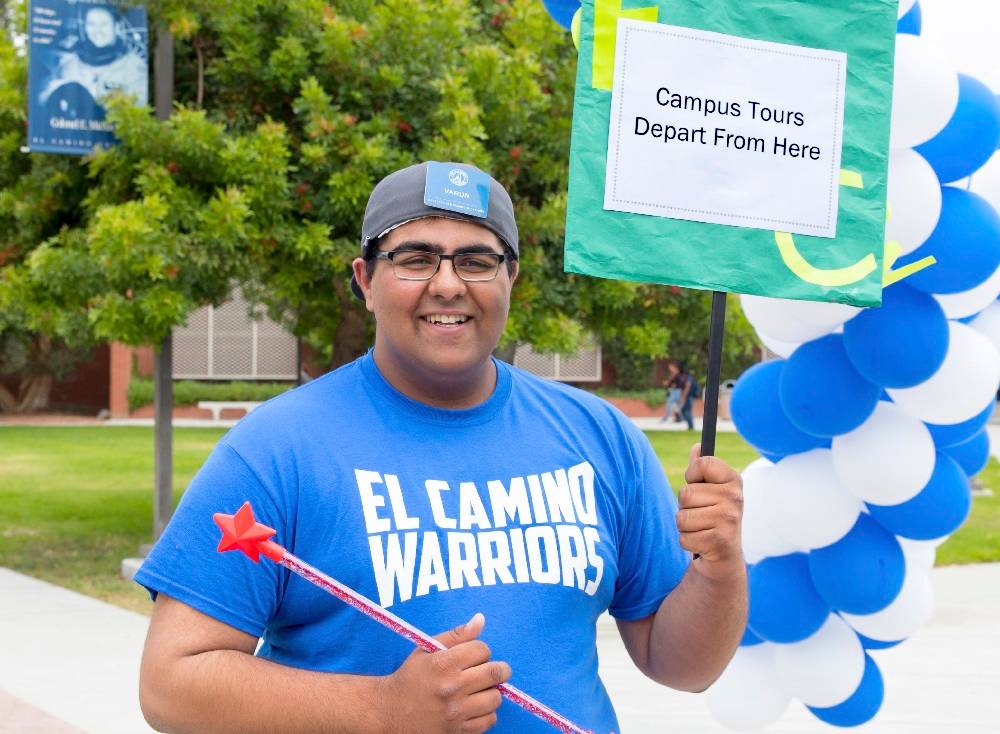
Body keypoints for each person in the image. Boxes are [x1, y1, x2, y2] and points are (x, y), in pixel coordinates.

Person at [135, 161, 747, 734]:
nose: (448, 284)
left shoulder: (601, 436)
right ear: (366, 279)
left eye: (477, 260)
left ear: (511, 278)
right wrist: (384, 709)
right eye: (415, 258)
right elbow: (171, 682)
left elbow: (683, 667)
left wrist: (718, 567)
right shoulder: (276, 449)